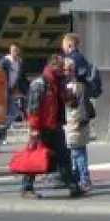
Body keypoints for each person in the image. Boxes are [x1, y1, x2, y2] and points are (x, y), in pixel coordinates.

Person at [21, 54, 84, 199]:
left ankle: (73, 186)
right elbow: (33, 108)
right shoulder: (40, 84)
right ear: (52, 66)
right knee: (35, 157)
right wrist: (34, 129)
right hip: (42, 127)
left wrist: (69, 89)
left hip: (54, 125)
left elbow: (70, 102)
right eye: (61, 67)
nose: (64, 70)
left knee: (63, 156)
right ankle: (26, 187)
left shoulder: (58, 83)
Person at [63, 61, 93, 191]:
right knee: (75, 153)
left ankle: (84, 179)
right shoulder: (69, 85)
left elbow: (77, 107)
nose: (67, 72)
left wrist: (79, 122)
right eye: (65, 69)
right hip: (72, 123)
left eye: (69, 69)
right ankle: (78, 179)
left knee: (78, 153)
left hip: (75, 123)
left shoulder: (75, 86)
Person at [0, 43, 23, 146]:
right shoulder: (5, 61)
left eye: (16, 50)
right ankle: (1, 135)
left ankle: (1, 133)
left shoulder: (19, 62)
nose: (15, 53)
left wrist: (17, 90)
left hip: (11, 90)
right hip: (3, 90)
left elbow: (18, 77)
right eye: (13, 50)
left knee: (13, 113)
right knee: (7, 113)